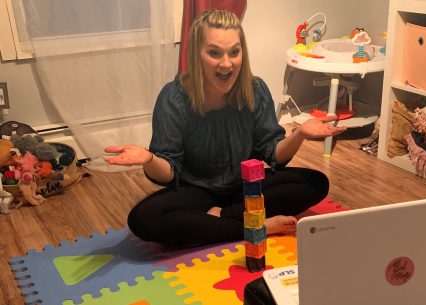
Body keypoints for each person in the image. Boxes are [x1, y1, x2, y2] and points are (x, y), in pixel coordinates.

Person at [104, 9, 346, 247]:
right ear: (197, 54)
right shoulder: (174, 97)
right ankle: (253, 227)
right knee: (143, 219)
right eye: (214, 53)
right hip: (196, 192)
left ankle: (220, 218)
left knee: (316, 183)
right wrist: (149, 159)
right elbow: (169, 173)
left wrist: (299, 134)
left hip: (245, 187)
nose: (226, 63)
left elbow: (274, 156)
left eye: (234, 52)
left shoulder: (255, 90)